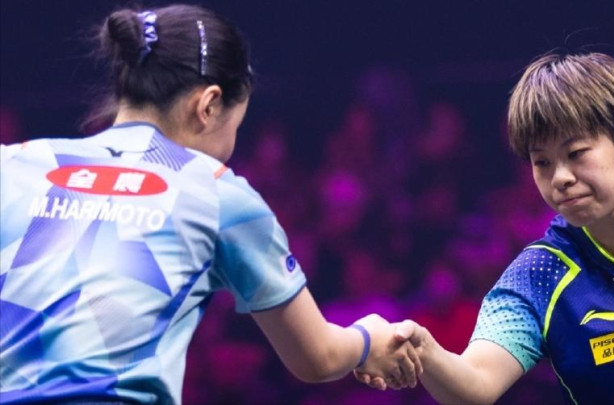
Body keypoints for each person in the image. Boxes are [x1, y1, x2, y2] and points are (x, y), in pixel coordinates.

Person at [0, 5, 421, 404]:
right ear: (209, 105)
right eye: (235, 127)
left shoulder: (12, 163)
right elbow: (318, 357)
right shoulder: (220, 194)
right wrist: (368, 339)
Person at [357, 51, 614, 403]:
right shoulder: (540, 276)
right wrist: (426, 349)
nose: (560, 178)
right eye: (542, 162)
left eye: (576, 153)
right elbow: (477, 383)